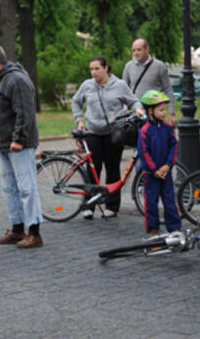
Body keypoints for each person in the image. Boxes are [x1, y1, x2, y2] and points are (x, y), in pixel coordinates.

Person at [0, 43, 44, 249]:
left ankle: (34, 233)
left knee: (27, 188)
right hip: (4, 145)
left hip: (20, 145)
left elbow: (25, 113)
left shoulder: (16, 80)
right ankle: (17, 229)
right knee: (9, 188)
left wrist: (19, 139)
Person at [72, 56, 145, 219]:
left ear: (106, 68)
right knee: (93, 169)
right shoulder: (87, 85)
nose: (93, 72)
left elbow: (133, 102)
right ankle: (89, 205)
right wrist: (79, 120)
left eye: (97, 68)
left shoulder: (119, 85)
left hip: (114, 133)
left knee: (112, 169)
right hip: (92, 132)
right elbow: (76, 102)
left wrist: (138, 110)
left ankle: (112, 206)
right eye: (91, 69)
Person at [137, 90, 182, 237]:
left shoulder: (168, 128)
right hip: (151, 175)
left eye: (165, 110)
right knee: (151, 203)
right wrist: (154, 170)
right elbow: (144, 152)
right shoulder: (144, 131)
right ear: (150, 111)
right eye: (161, 110)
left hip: (166, 173)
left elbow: (173, 146)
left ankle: (174, 228)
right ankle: (153, 230)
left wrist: (168, 165)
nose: (164, 113)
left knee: (170, 201)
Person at [122, 38, 176, 127]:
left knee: (154, 139)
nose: (136, 53)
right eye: (134, 50)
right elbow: (123, 91)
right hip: (136, 113)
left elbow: (168, 89)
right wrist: (125, 108)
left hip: (154, 113)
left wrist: (172, 113)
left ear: (147, 49)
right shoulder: (128, 66)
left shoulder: (159, 66)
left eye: (139, 50)